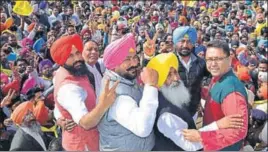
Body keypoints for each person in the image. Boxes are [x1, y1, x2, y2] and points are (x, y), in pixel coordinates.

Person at [147, 53, 245, 151]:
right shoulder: (166, 115)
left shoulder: (171, 96)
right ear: (158, 80)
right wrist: (218, 125)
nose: (176, 78)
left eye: (175, 72)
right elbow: (190, 144)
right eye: (168, 75)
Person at [50, 34, 119, 151]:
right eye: (70, 56)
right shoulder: (69, 87)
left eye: (77, 53)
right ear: (61, 60)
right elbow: (86, 123)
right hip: (83, 145)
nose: (77, 58)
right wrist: (104, 104)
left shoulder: (82, 67)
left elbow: (59, 103)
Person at [180, 40, 249, 151]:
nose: (213, 64)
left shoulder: (232, 89)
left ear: (229, 59)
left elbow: (238, 131)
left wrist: (201, 136)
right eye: (209, 60)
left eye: (217, 59)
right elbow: (217, 96)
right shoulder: (218, 77)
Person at [98, 33, 159, 151]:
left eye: (135, 57)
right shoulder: (116, 94)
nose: (134, 63)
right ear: (113, 65)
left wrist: (148, 56)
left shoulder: (124, 76)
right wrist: (151, 86)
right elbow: (143, 128)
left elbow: (141, 73)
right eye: (127, 59)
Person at [173, 26, 209, 117]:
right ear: (175, 43)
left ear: (193, 44)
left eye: (189, 42)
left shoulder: (201, 63)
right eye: (182, 41)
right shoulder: (168, 62)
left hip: (193, 113)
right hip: (173, 113)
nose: (185, 45)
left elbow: (215, 76)